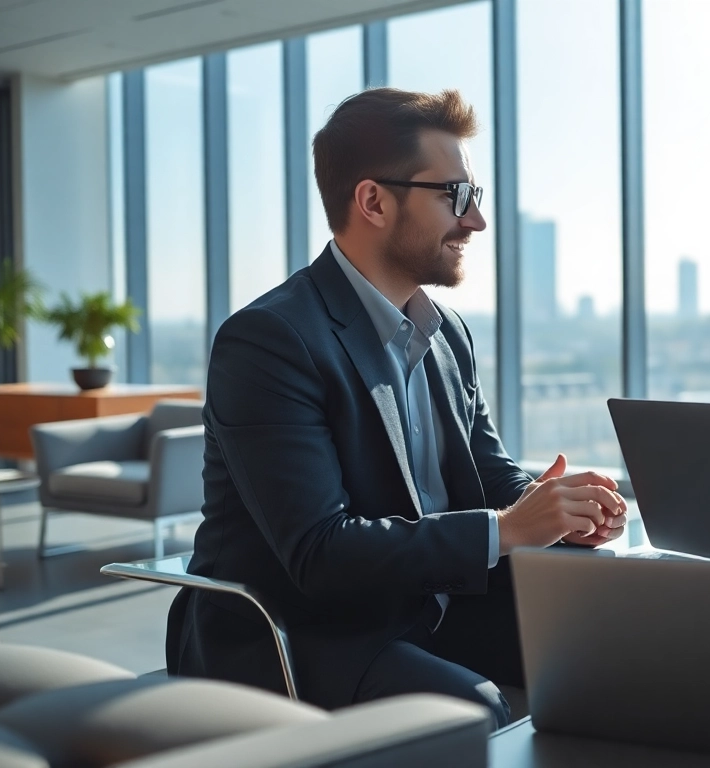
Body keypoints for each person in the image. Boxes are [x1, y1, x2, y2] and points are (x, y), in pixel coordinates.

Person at [166, 87, 627, 726]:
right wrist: (510, 528)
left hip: (429, 606)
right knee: (475, 713)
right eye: (454, 196)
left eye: (475, 197)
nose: (475, 221)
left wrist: (554, 507)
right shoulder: (270, 341)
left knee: (615, 649)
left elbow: (488, 476)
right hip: (298, 634)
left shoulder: (446, 333)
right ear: (374, 201)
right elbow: (320, 553)